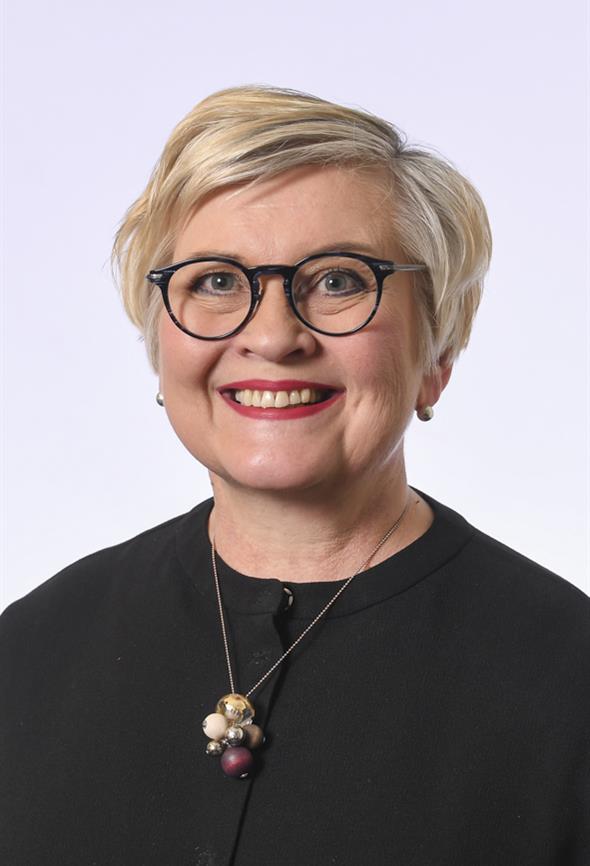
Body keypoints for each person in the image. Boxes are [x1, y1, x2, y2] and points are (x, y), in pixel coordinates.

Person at [1, 84, 588, 866]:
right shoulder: (31, 651)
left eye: (339, 279)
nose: (274, 337)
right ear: (161, 345)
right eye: (215, 281)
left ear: (437, 352)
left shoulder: (568, 680)